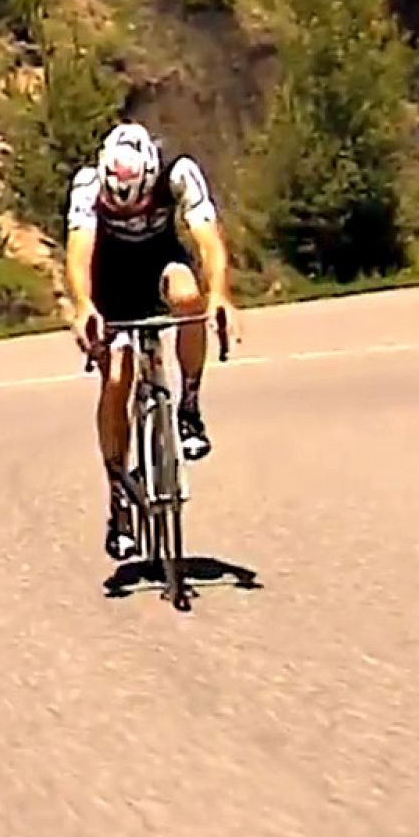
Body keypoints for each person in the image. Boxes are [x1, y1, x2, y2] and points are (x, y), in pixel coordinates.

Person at [63, 121, 242, 560]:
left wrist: (220, 295)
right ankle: (119, 499)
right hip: (111, 279)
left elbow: (208, 242)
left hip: (160, 263)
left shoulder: (178, 173)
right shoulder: (87, 186)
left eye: (139, 200)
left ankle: (189, 408)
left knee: (188, 297)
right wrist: (84, 306)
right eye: (117, 204)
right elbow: (79, 253)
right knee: (117, 377)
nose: (128, 211)